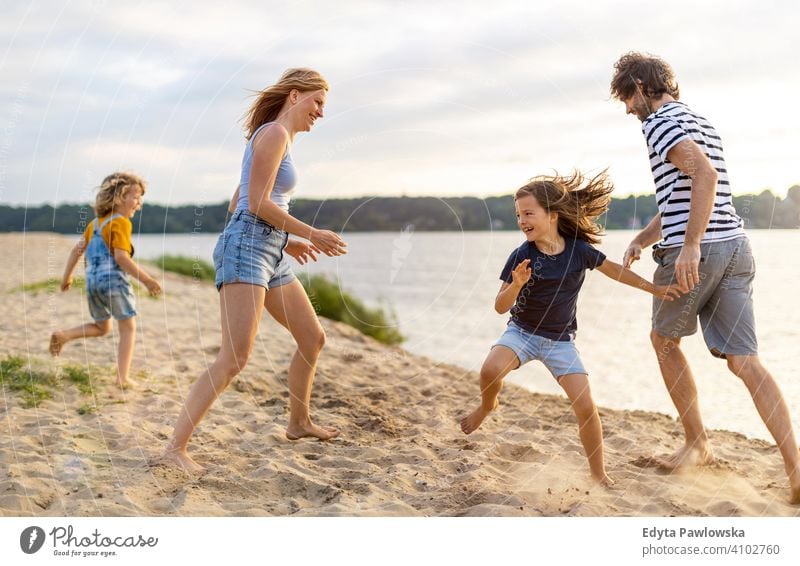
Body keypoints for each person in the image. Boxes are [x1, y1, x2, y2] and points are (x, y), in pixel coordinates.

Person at [610, 51, 800, 503]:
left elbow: (706, 177)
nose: (627, 110)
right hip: (735, 247)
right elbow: (685, 191)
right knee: (744, 361)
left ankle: (698, 444)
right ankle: (795, 466)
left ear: (640, 87)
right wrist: (643, 236)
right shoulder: (698, 120)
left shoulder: (659, 122)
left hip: (698, 252)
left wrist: (690, 244)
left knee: (664, 341)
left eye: (626, 99)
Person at [160, 68, 347, 473]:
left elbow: (240, 199)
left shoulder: (277, 138)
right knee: (234, 358)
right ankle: (175, 449)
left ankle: (298, 422)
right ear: (295, 96)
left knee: (312, 338)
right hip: (246, 249)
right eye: (318, 102)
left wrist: (286, 239)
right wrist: (310, 232)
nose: (320, 112)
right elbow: (257, 202)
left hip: (268, 248)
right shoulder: (274, 134)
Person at [460, 171, 681, 485]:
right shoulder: (522, 255)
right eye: (518, 215)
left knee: (586, 408)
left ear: (551, 216)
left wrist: (654, 289)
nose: (521, 220)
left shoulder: (579, 251)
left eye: (528, 213)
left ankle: (598, 473)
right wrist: (517, 285)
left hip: (560, 342)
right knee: (489, 370)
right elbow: (500, 306)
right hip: (521, 333)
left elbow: (616, 272)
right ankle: (487, 405)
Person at [49, 172, 162, 389]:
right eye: (135, 197)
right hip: (112, 282)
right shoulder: (121, 223)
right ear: (119, 197)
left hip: (92, 282)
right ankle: (122, 378)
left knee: (102, 327)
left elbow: (76, 250)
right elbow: (121, 257)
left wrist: (67, 277)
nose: (138, 203)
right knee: (128, 327)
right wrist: (147, 281)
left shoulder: (95, 224)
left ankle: (63, 335)